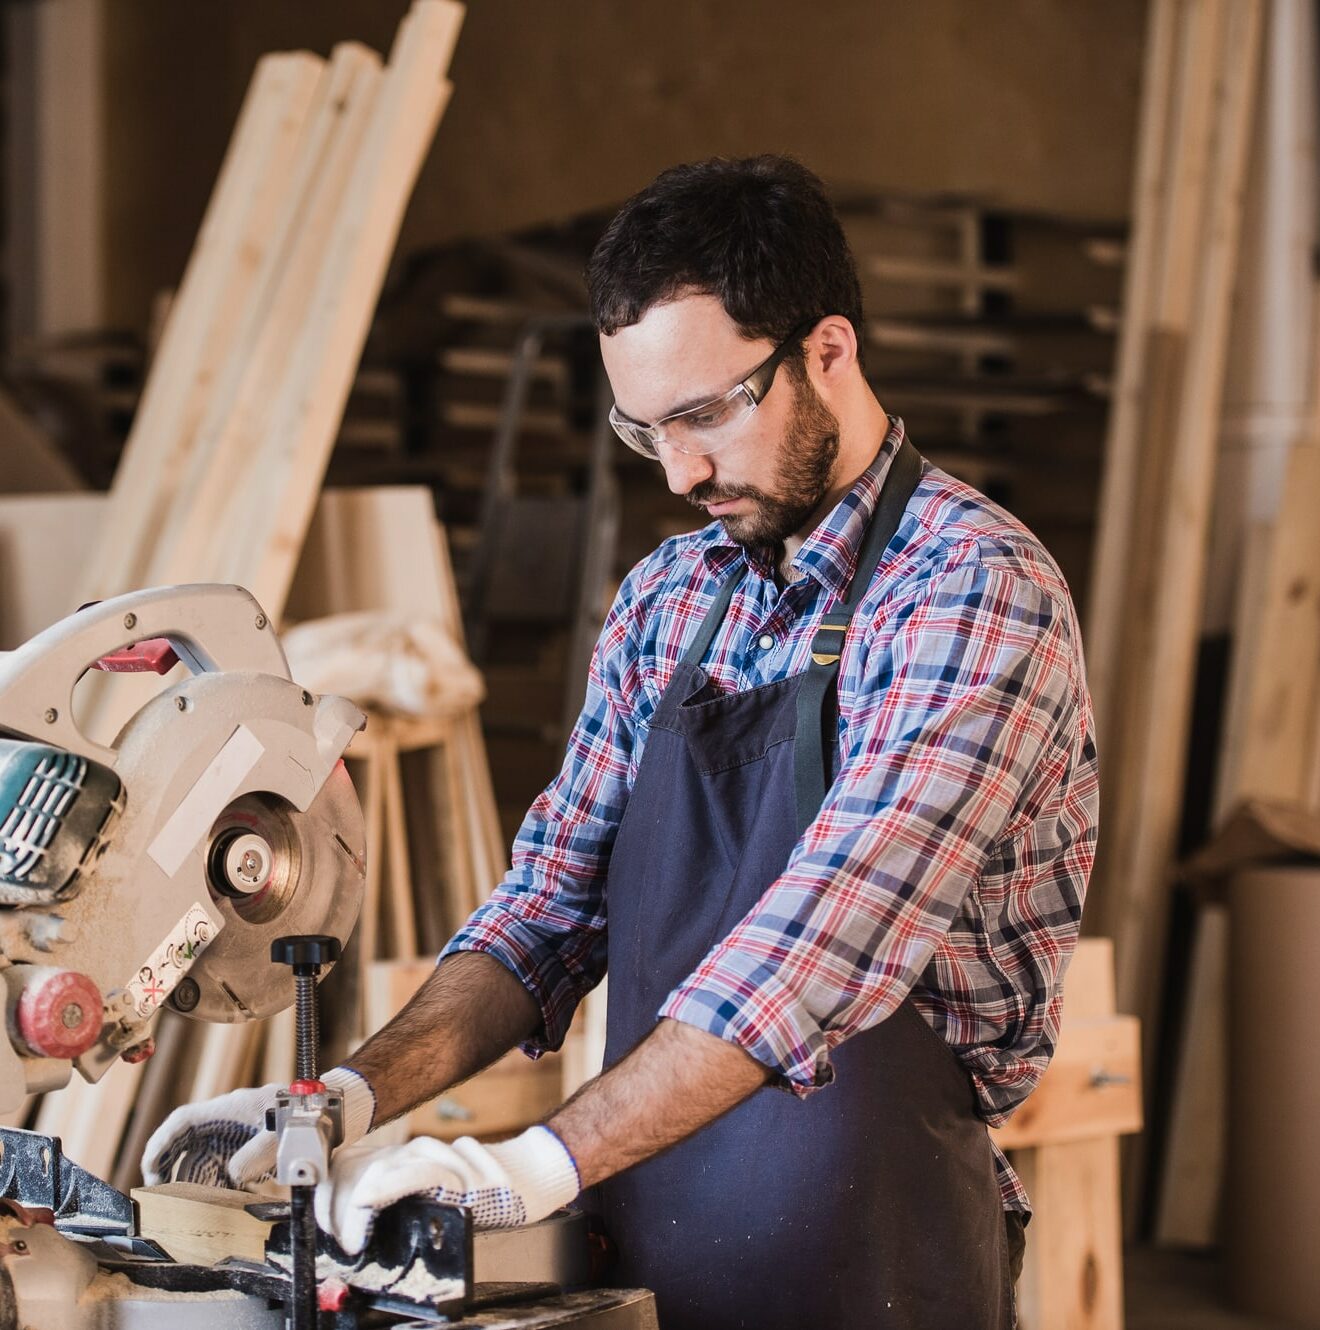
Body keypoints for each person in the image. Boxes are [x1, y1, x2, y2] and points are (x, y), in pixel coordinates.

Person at [144, 155, 1099, 1330]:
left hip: (875, 1254)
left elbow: (816, 951)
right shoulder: (669, 598)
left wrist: (524, 1167)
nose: (683, 471)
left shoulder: (972, 592)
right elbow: (547, 911)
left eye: (705, 415)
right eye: (645, 430)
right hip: (651, 1223)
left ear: (830, 352)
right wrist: (335, 1100)